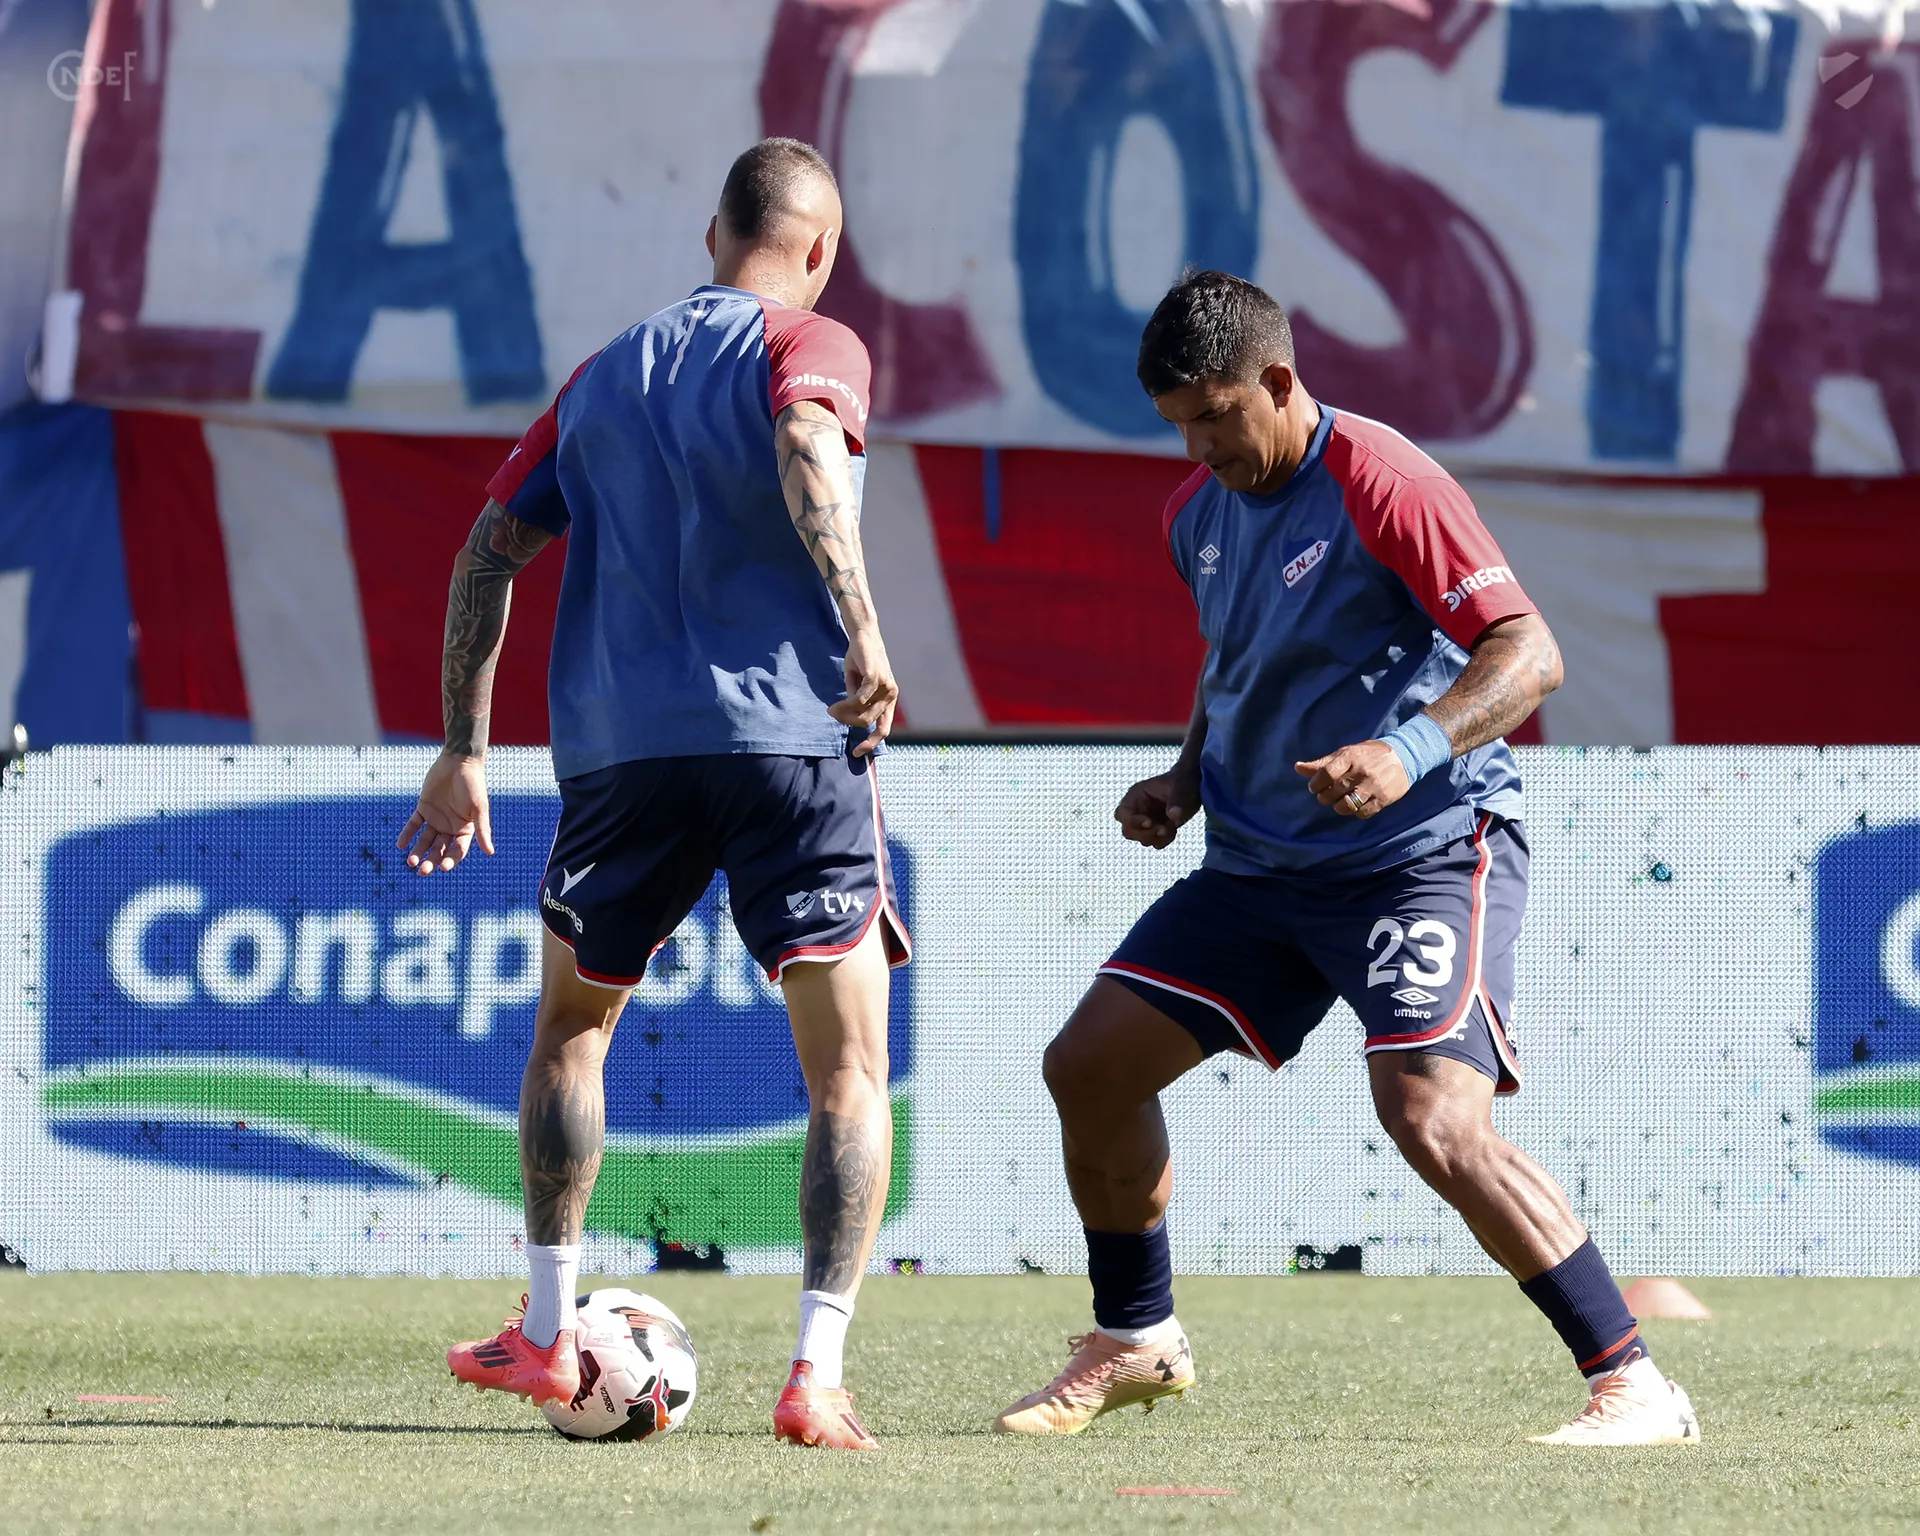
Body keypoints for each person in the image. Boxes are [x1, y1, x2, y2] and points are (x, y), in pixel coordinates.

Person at [994, 271, 1700, 1448]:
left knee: (1433, 1119)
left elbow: (1529, 652)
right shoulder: (1196, 514)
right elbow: (1235, 662)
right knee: (1091, 1069)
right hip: (1259, 871)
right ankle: (1136, 1336)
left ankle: (1634, 1384)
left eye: (1217, 416)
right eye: (1178, 425)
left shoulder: (1384, 480)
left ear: (1278, 380)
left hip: (1418, 852)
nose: (1199, 446)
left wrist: (1408, 749)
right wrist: (1186, 774)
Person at [399, 137, 908, 1451]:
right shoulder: (815, 343)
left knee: (573, 1030)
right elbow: (808, 437)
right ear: (820, 248)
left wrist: (463, 748)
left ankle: (545, 1329)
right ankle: (815, 1374)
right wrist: (863, 627)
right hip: (794, 741)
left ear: (711, 237)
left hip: (622, 753)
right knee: (847, 1071)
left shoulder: (602, 376)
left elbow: (486, 552)